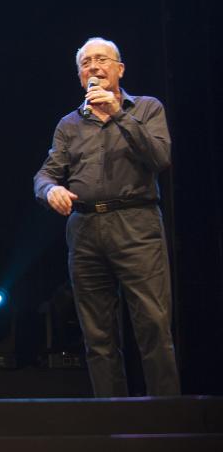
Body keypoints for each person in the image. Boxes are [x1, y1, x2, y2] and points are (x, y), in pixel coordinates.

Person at [33, 37, 180, 397]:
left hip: (136, 225)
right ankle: (113, 422)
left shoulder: (145, 109)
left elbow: (159, 158)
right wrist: (50, 190)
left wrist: (118, 113)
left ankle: (168, 420)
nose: (94, 68)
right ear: (80, 75)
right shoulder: (69, 124)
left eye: (102, 60)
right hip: (85, 231)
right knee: (97, 336)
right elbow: (46, 173)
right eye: (86, 63)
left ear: (119, 69)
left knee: (153, 327)